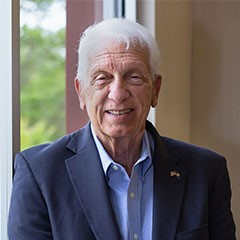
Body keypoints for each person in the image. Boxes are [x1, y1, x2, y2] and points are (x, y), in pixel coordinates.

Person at [8, 18, 236, 240]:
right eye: (102, 78)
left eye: (134, 77)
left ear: (155, 89)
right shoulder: (38, 174)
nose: (117, 94)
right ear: (81, 92)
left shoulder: (206, 172)